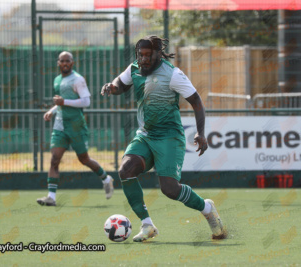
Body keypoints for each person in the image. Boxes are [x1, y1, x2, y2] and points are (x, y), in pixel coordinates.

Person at [101, 36, 225, 242]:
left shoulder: (173, 74)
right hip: (146, 135)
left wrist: (200, 132)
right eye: (140, 55)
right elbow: (120, 84)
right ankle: (147, 225)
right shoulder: (134, 69)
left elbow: (196, 102)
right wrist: (111, 87)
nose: (144, 59)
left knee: (169, 189)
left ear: (159, 54)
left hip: (169, 137)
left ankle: (207, 208)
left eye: (148, 55)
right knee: (126, 170)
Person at [37, 51, 114, 206]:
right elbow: (60, 103)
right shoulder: (57, 80)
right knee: (54, 159)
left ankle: (106, 178)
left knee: (83, 159)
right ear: (58, 63)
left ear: (72, 63)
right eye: (62, 61)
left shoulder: (78, 79)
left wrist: (63, 102)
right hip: (60, 126)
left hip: (76, 125)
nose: (65, 63)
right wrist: (51, 111)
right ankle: (51, 197)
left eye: (68, 61)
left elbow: (86, 102)